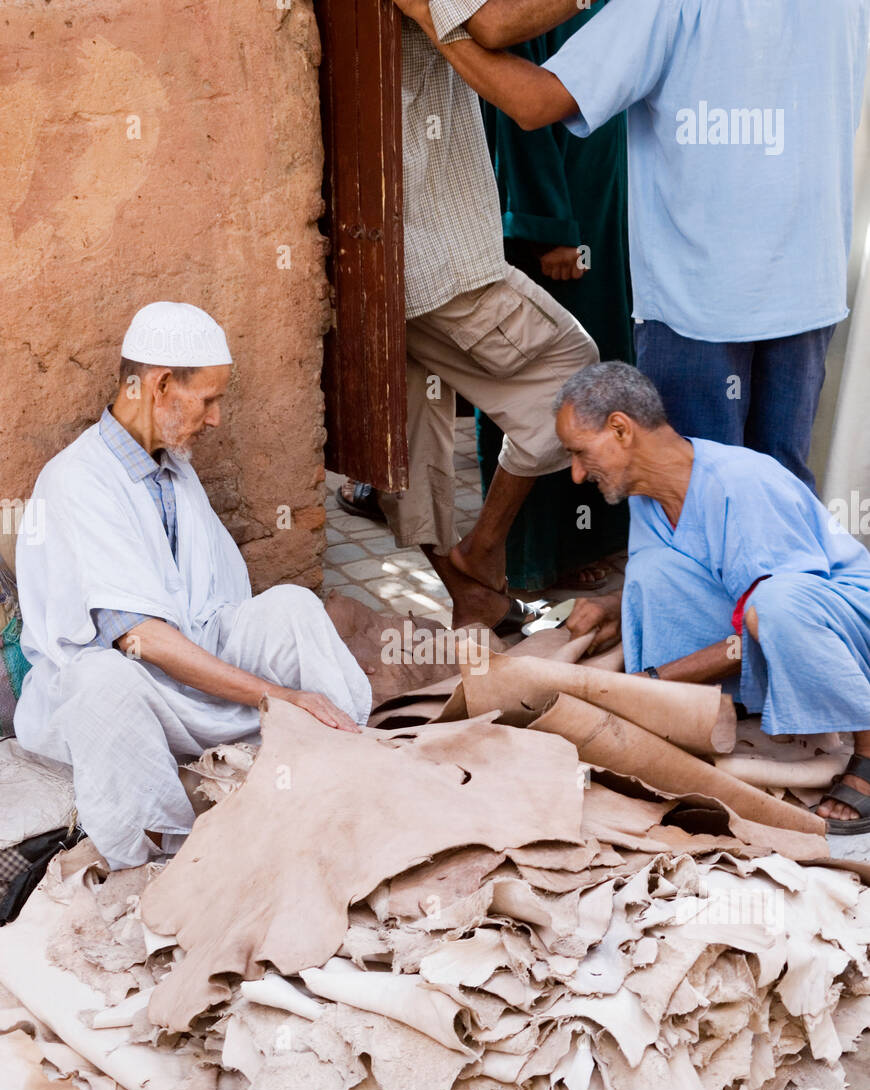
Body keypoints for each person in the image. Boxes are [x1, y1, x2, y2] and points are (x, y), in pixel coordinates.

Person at [395, 0, 870, 491]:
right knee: (782, 488)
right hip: (810, 281)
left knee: (689, 494)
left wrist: (431, 18)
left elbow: (534, 102)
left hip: (701, 302)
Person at [14, 302, 372, 870]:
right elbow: (143, 641)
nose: (216, 419)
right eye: (209, 399)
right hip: (128, 685)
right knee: (105, 683)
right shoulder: (76, 481)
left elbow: (205, 602)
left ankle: (347, 753)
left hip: (193, 650)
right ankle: (161, 857)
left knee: (292, 606)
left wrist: (266, 685)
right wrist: (275, 696)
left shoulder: (172, 465)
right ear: (159, 386)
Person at [344, 0, 602, 634]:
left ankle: (469, 594)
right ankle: (483, 550)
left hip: (375, 246)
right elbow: (492, 24)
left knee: (409, 436)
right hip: (436, 250)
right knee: (577, 375)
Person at [553, 361, 870, 834]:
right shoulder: (648, 497)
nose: (577, 475)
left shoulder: (740, 483)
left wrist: (650, 681)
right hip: (770, 617)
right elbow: (700, 566)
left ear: (620, 429)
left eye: (580, 453)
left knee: (775, 607)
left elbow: (765, 622)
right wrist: (612, 603)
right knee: (651, 572)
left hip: (844, 623)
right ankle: (713, 712)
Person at [476, 0, 633, 593]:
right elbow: (516, 102)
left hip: (602, 200)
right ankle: (528, 555)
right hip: (558, 215)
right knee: (542, 381)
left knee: (602, 370)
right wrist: (549, 225)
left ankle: (584, 539)